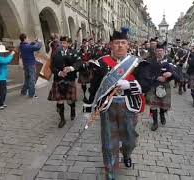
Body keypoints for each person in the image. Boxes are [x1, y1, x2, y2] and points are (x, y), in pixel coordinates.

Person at [66, 30, 158, 180]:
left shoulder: (137, 62)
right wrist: (89, 107)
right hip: (107, 107)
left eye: (123, 43)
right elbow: (95, 85)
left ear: (128, 45)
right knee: (109, 144)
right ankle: (111, 174)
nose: (120, 46)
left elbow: (147, 83)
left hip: (129, 106)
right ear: (111, 45)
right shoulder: (102, 62)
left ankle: (126, 153)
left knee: (130, 141)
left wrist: (129, 85)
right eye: (116, 43)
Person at [48, 36, 81, 128]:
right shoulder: (56, 53)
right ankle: (62, 119)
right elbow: (52, 66)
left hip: (70, 79)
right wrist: (59, 72)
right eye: (62, 42)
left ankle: (72, 108)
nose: (63, 44)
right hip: (58, 79)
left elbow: (79, 63)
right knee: (60, 100)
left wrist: (71, 68)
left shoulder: (74, 52)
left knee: (70, 101)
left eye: (65, 43)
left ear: (69, 44)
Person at [149, 42, 179, 131]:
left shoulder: (169, 60)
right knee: (153, 105)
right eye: (157, 51)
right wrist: (156, 77)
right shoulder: (150, 61)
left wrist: (171, 73)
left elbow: (177, 72)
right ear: (155, 51)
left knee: (163, 105)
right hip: (154, 85)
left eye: (161, 51)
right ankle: (155, 122)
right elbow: (147, 74)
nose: (159, 52)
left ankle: (162, 114)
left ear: (164, 51)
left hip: (165, 85)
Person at [19, 33, 42, 98]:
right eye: (27, 38)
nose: (28, 39)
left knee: (27, 78)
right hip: (31, 64)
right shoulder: (27, 46)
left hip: (25, 64)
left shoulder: (21, 45)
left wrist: (34, 41)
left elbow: (29, 45)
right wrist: (39, 42)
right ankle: (31, 94)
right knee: (32, 79)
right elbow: (37, 47)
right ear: (25, 38)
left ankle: (23, 92)